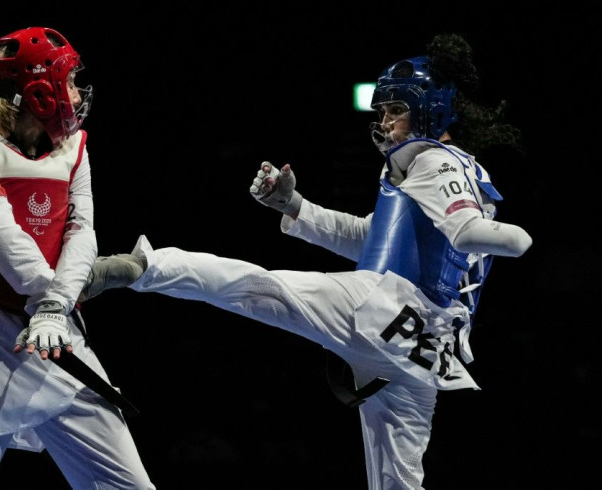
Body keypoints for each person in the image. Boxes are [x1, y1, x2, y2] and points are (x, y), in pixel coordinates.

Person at [80, 33, 532, 489]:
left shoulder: (434, 160)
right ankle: (143, 268)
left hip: (388, 309)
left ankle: (141, 267)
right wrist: (294, 205)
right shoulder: (448, 166)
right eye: (383, 111)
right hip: (422, 348)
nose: (386, 121)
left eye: (396, 110)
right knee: (398, 483)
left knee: (260, 289)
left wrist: (514, 238)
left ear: (431, 109)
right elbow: (373, 240)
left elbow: (473, 231)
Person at [0, 27, 155, 489]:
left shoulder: (74, 152)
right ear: (38, 92)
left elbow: (81, 232)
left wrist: (54, 306)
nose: (76, 92)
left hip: (57, 333)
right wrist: (51, 297)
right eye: (67, 82)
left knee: (129, 485)